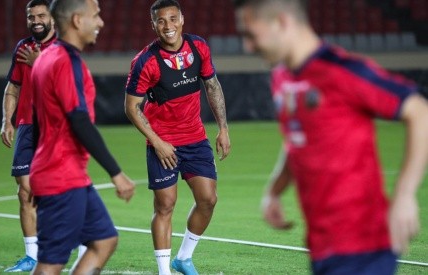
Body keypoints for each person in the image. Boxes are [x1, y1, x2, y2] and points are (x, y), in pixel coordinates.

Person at [233, 0, 428, 274]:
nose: (248, 47)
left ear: (282, 22)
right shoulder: (282, 77)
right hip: (323, 245)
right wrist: (274, 191)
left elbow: (419, 112)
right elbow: (298, 139)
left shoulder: (341, 71)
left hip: (364, 247)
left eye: (251, 35)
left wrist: (406, 195)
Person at [125, 1, 231, 274]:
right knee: (165, 205)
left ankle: (183, 258)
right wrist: (157, 142)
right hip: (163, 144)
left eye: (173, 18)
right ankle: (164, 271)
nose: (168, 26)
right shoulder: (145, 61)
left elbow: (212, 85)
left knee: (208, 200)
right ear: (154, 25)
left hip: (195, 138)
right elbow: (131, 107)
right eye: (161, 21)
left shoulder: (199, 48)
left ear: (182, 19)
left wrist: (223, 128)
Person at [30, 0, 135, 274]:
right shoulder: (66, 61)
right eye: (96, 16)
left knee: (104, 240)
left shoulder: (45, 58)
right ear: (77, 20)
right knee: (51, 264)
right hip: (62, 177)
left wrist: (35, 171)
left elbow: (37, 122)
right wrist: (116, 173)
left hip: (64, 174)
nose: (100, 22)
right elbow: (79, 120)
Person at [0, 0, 59, 272]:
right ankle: (32, 256)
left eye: (40, 15)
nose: (35, 20)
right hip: (26, 126)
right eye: (30, 16)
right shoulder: (23, 48)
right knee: (25, 191)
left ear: (52, 18)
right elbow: (13, 86)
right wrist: (6, 120)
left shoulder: (64, 48)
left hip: (56, 127)